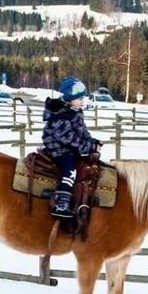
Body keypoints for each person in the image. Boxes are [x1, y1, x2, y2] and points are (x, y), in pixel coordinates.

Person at [42, 76, 100, 218]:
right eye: (79, 98)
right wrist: (87, 147)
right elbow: (67, 138)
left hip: (69, 148)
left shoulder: (75, 112)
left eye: (83, 98)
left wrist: (93, 142)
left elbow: (82, 132)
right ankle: (61, 204)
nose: (82, 101)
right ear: (69, 98)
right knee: (70, 170)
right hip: (58, 149)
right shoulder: (62, 115)